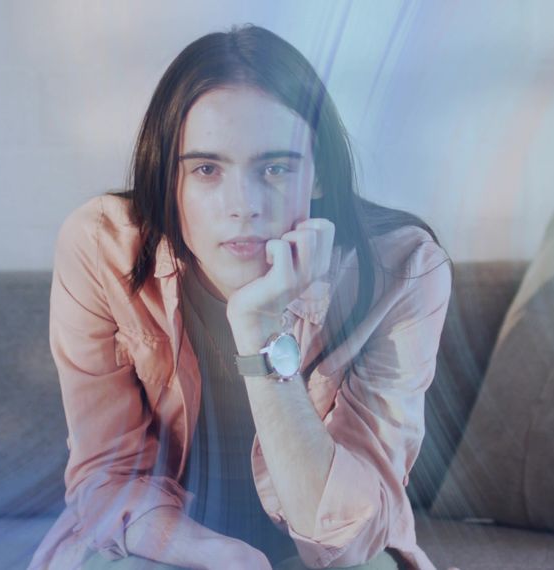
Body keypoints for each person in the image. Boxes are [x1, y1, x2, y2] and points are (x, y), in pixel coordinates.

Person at [29, 23, 455, 570]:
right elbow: (106, 476)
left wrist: (262, 329)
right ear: (170, 180)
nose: (243, 205)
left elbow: (347, 538)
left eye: (275, 167)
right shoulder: (101, 247)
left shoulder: (404, 270)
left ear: (319, 175)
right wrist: (215, 554)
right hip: (165, 543)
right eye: (206, 169)